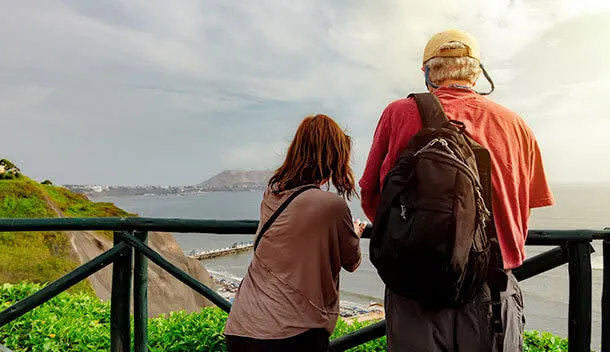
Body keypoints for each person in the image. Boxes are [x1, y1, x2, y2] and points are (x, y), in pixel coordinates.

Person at [359, 29, 555, 351]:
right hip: (491, 289)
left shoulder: (398, 113)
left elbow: (373, 200)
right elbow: (523, 209)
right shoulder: (515, 125)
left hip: (413, 287)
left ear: (427, 72)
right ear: (477, 72)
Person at [224, 114, 367, 352]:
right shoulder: (331, 206)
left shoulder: (271, 194)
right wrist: (354, 233)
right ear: (334, 157)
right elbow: (351, 261)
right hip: (293, 332)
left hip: (242, 327)